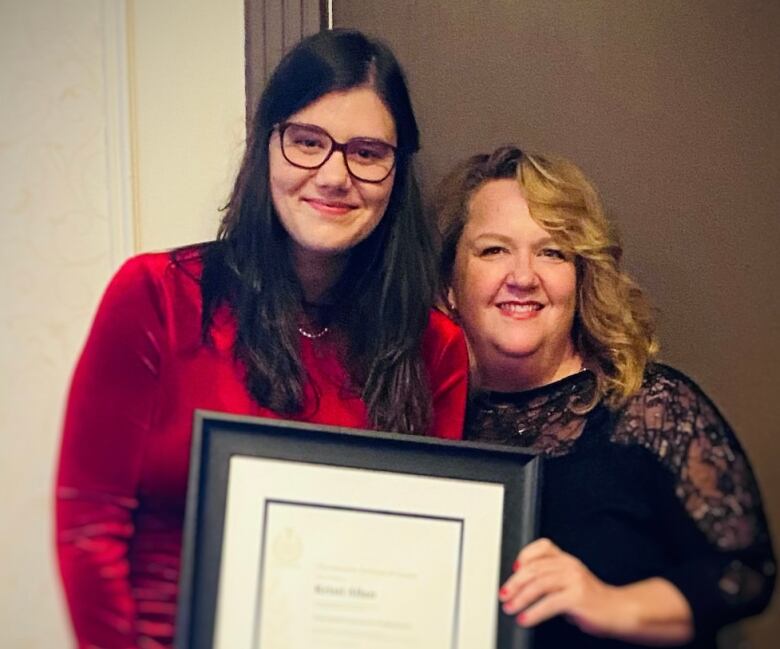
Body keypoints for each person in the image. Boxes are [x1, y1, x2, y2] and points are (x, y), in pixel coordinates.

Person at [56, 29, 468, 649]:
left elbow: (429, 564)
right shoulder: (155, 297)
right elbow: (89, 527)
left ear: (396, 172)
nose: (334, 176)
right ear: (267, 147)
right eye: (307, 142)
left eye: (367, 152)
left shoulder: (433, 347)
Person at [435, 145, 775, 648]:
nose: (524, 276)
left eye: (552, 252)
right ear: (449, 284)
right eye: (494, 250)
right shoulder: (421, 418)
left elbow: (744, 573)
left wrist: (607, 603)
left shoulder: (650, 407)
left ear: (580, 277)